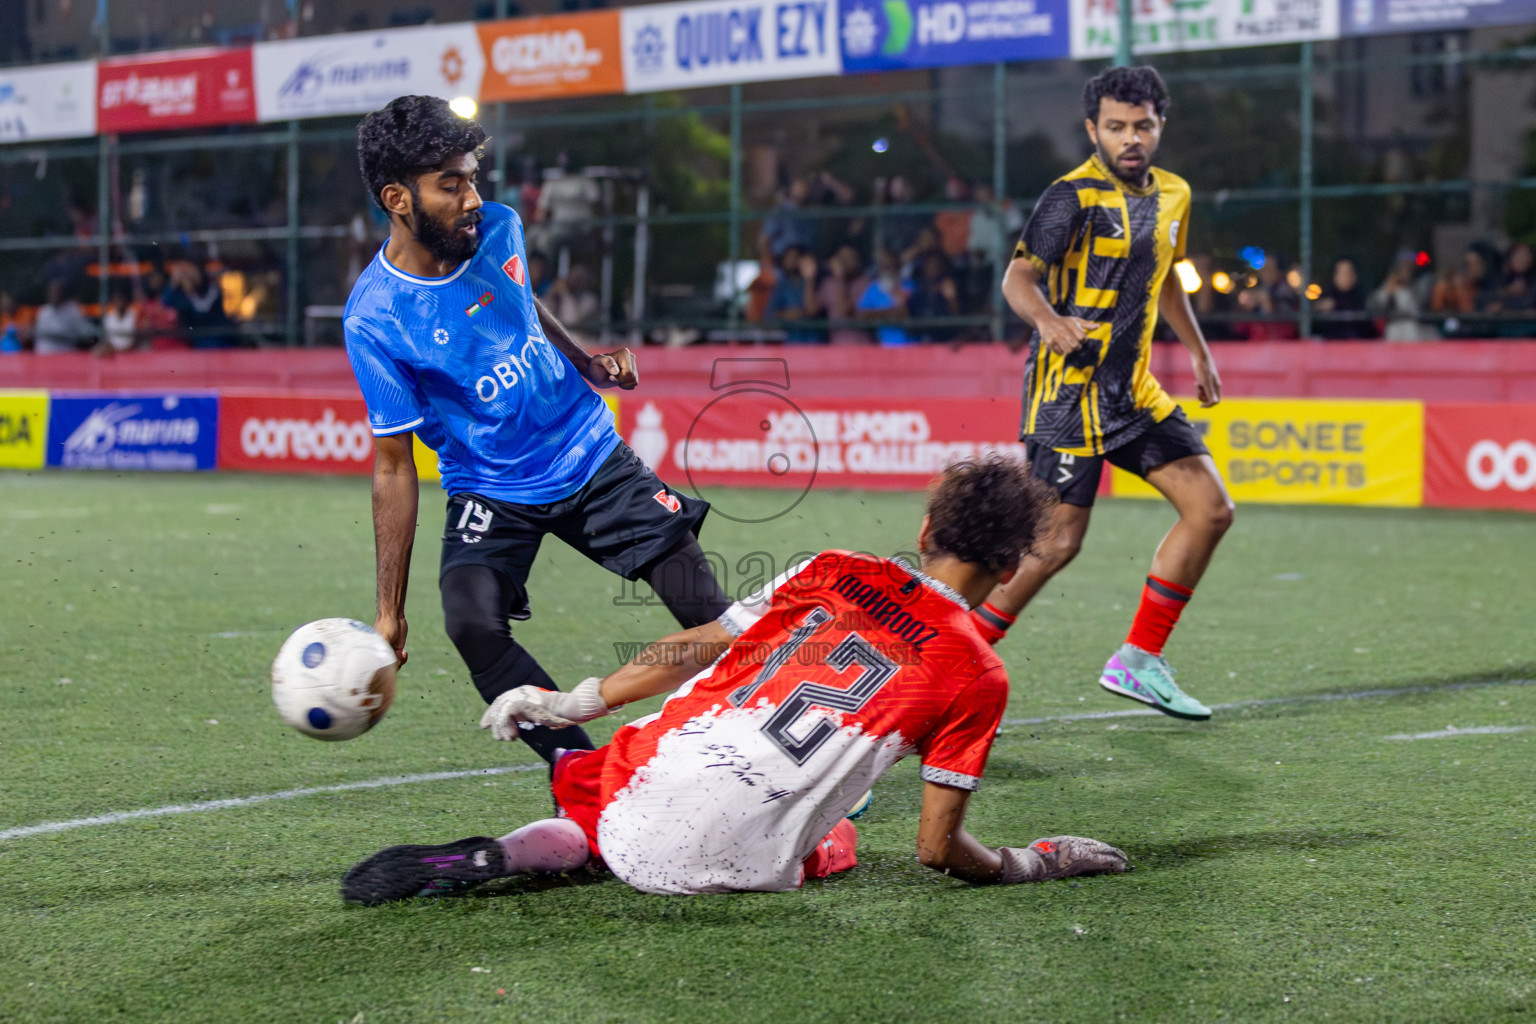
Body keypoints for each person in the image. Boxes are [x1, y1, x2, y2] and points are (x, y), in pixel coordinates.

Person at [341, 456, 1130, 903]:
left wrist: (572, 700)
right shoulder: (979, 674)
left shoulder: (833, 569)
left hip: (632, 801)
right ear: (1008, 567)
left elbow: (698, 645)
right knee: (838, 836)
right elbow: (936, 849)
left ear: (925, 532)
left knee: (606, 774)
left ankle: (522, 850)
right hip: (739, 869)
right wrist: (1031, 860)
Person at [345, 96, 730, 766]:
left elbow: (521, 298)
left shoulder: (499, 227)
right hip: (488, 488)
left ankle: (784, 748)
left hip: (589, 455)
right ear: (396, 198)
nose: (472, 198)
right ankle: (580, 775)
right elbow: (393, 467)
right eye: (451, 184)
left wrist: (585, 360)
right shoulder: (373, 319)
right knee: (470, 624)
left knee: (712, 620)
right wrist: (388, 609)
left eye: (472, 178)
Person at [971, 65, 1234, 722]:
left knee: (1211, 510)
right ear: (1093, 129)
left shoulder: (1175, 193)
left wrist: (1198, 350)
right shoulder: (1071, 197)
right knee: (1054, 546)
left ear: (1159, 124)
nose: (1130, 138)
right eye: (1115, 127)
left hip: (1133, 393)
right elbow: (1018, 278)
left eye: (1142, 125)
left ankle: (1140, 660)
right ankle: (949, 662)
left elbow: (1166, 275)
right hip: (1065, 396)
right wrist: (1049, 321)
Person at [763, 245, 825, 343]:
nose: (792, 261)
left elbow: (813, 310)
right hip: (792, 343)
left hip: (814, 342)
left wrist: (810, 278)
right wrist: (787, 315)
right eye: (788, 258)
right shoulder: (781, 286)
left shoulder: (816, 281)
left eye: (795, 257)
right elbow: (769, 317)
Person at [1314, 257, 1376, 340]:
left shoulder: (1363, 298)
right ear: (1334, 276)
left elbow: (1370, 330)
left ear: (1355, 275)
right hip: (1330, 347)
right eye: (1342, 273)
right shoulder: (1325, 298)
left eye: (1348, 272)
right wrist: (1319, 310)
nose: (1346, 277)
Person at [33, 278, 96, 354]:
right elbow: (36, 333)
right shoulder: (44, 311)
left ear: (62, 293)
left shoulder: (72, 311)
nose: (53, 295)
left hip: (64, 355)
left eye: (56, 292)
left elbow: (87, 334)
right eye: (51, 292)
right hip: (43, 356)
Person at [96, 287, 139, 354]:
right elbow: (107, 338)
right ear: (113, 302)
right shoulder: (109, 318)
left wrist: (124, 350)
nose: (119, 303)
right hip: (114, 353)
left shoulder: (135, 316)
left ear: (126, 301)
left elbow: (137, 339)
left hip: (131, 353)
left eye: (121, 300)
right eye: (116, 300)